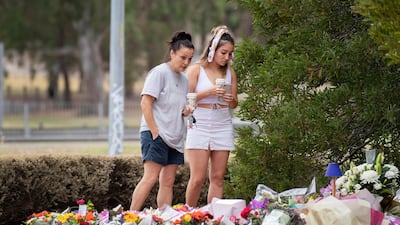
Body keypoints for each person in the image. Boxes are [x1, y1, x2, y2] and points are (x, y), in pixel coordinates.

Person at [130, 31, 195, 211]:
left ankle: (164, 218)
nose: (186, 63)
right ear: (172, 53)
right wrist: (155, 132)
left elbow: (176, 108)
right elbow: (145, 103)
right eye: (183, 57)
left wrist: (185, 111)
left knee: (167, 182)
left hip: (175, 137)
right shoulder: (159, 73)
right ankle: (129, 216)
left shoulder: (184, 80)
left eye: (189, 59)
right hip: (155, 134)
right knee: (150, 178)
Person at [185, 25, 238, 207]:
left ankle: (213, 215)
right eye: (223, 52)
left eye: (230, 54)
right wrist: (209, 92)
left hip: (222, 122)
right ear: (212, 50)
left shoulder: (230, 72)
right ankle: (190, 214)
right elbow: (186, 99)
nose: (226, 57)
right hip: (200, 122)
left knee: (217, 177)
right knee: (198, 178)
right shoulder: (196, 70)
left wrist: (231, 100)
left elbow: (234, 103)